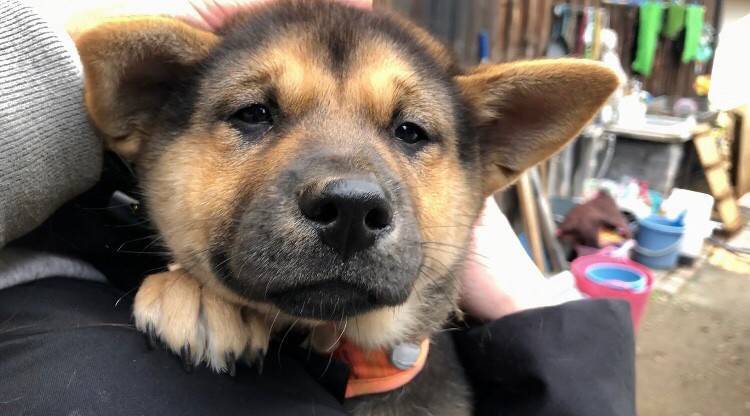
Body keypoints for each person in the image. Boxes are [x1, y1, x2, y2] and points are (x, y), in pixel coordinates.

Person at [0, 1, 636, 415]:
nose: (351, 189)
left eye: (410, 132)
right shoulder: (77, 339)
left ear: (486, 156)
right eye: (254, 113)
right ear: (148, 110)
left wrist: (524, 307)